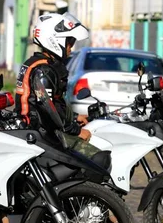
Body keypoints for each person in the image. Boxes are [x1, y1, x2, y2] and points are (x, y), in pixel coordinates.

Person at [14, 12, 100, 158]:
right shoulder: (43, 70)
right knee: (96, 157)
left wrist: (73, 117)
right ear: (54, 40)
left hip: (41, 130)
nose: (71, 47)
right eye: (69, 42)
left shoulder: (42, 64)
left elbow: (54, 103)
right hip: (38, 134)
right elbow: (48, 108)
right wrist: (76, 130)